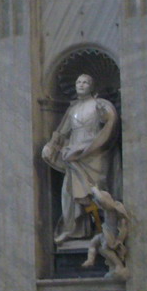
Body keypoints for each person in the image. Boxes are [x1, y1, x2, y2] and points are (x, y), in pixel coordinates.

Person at [41, 73, 119, 245]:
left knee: (97, 191)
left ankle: (107, 230)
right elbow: (62, 131)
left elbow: (109, 123)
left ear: (92, 86)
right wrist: (51, 146)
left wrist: (105, 115)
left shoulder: (99, 104)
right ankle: (73, 229)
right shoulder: (73, 109)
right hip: (73, 154)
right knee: (68, 193)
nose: (81, 85)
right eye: (78, 82)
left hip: (93, 152)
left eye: (85, 82)